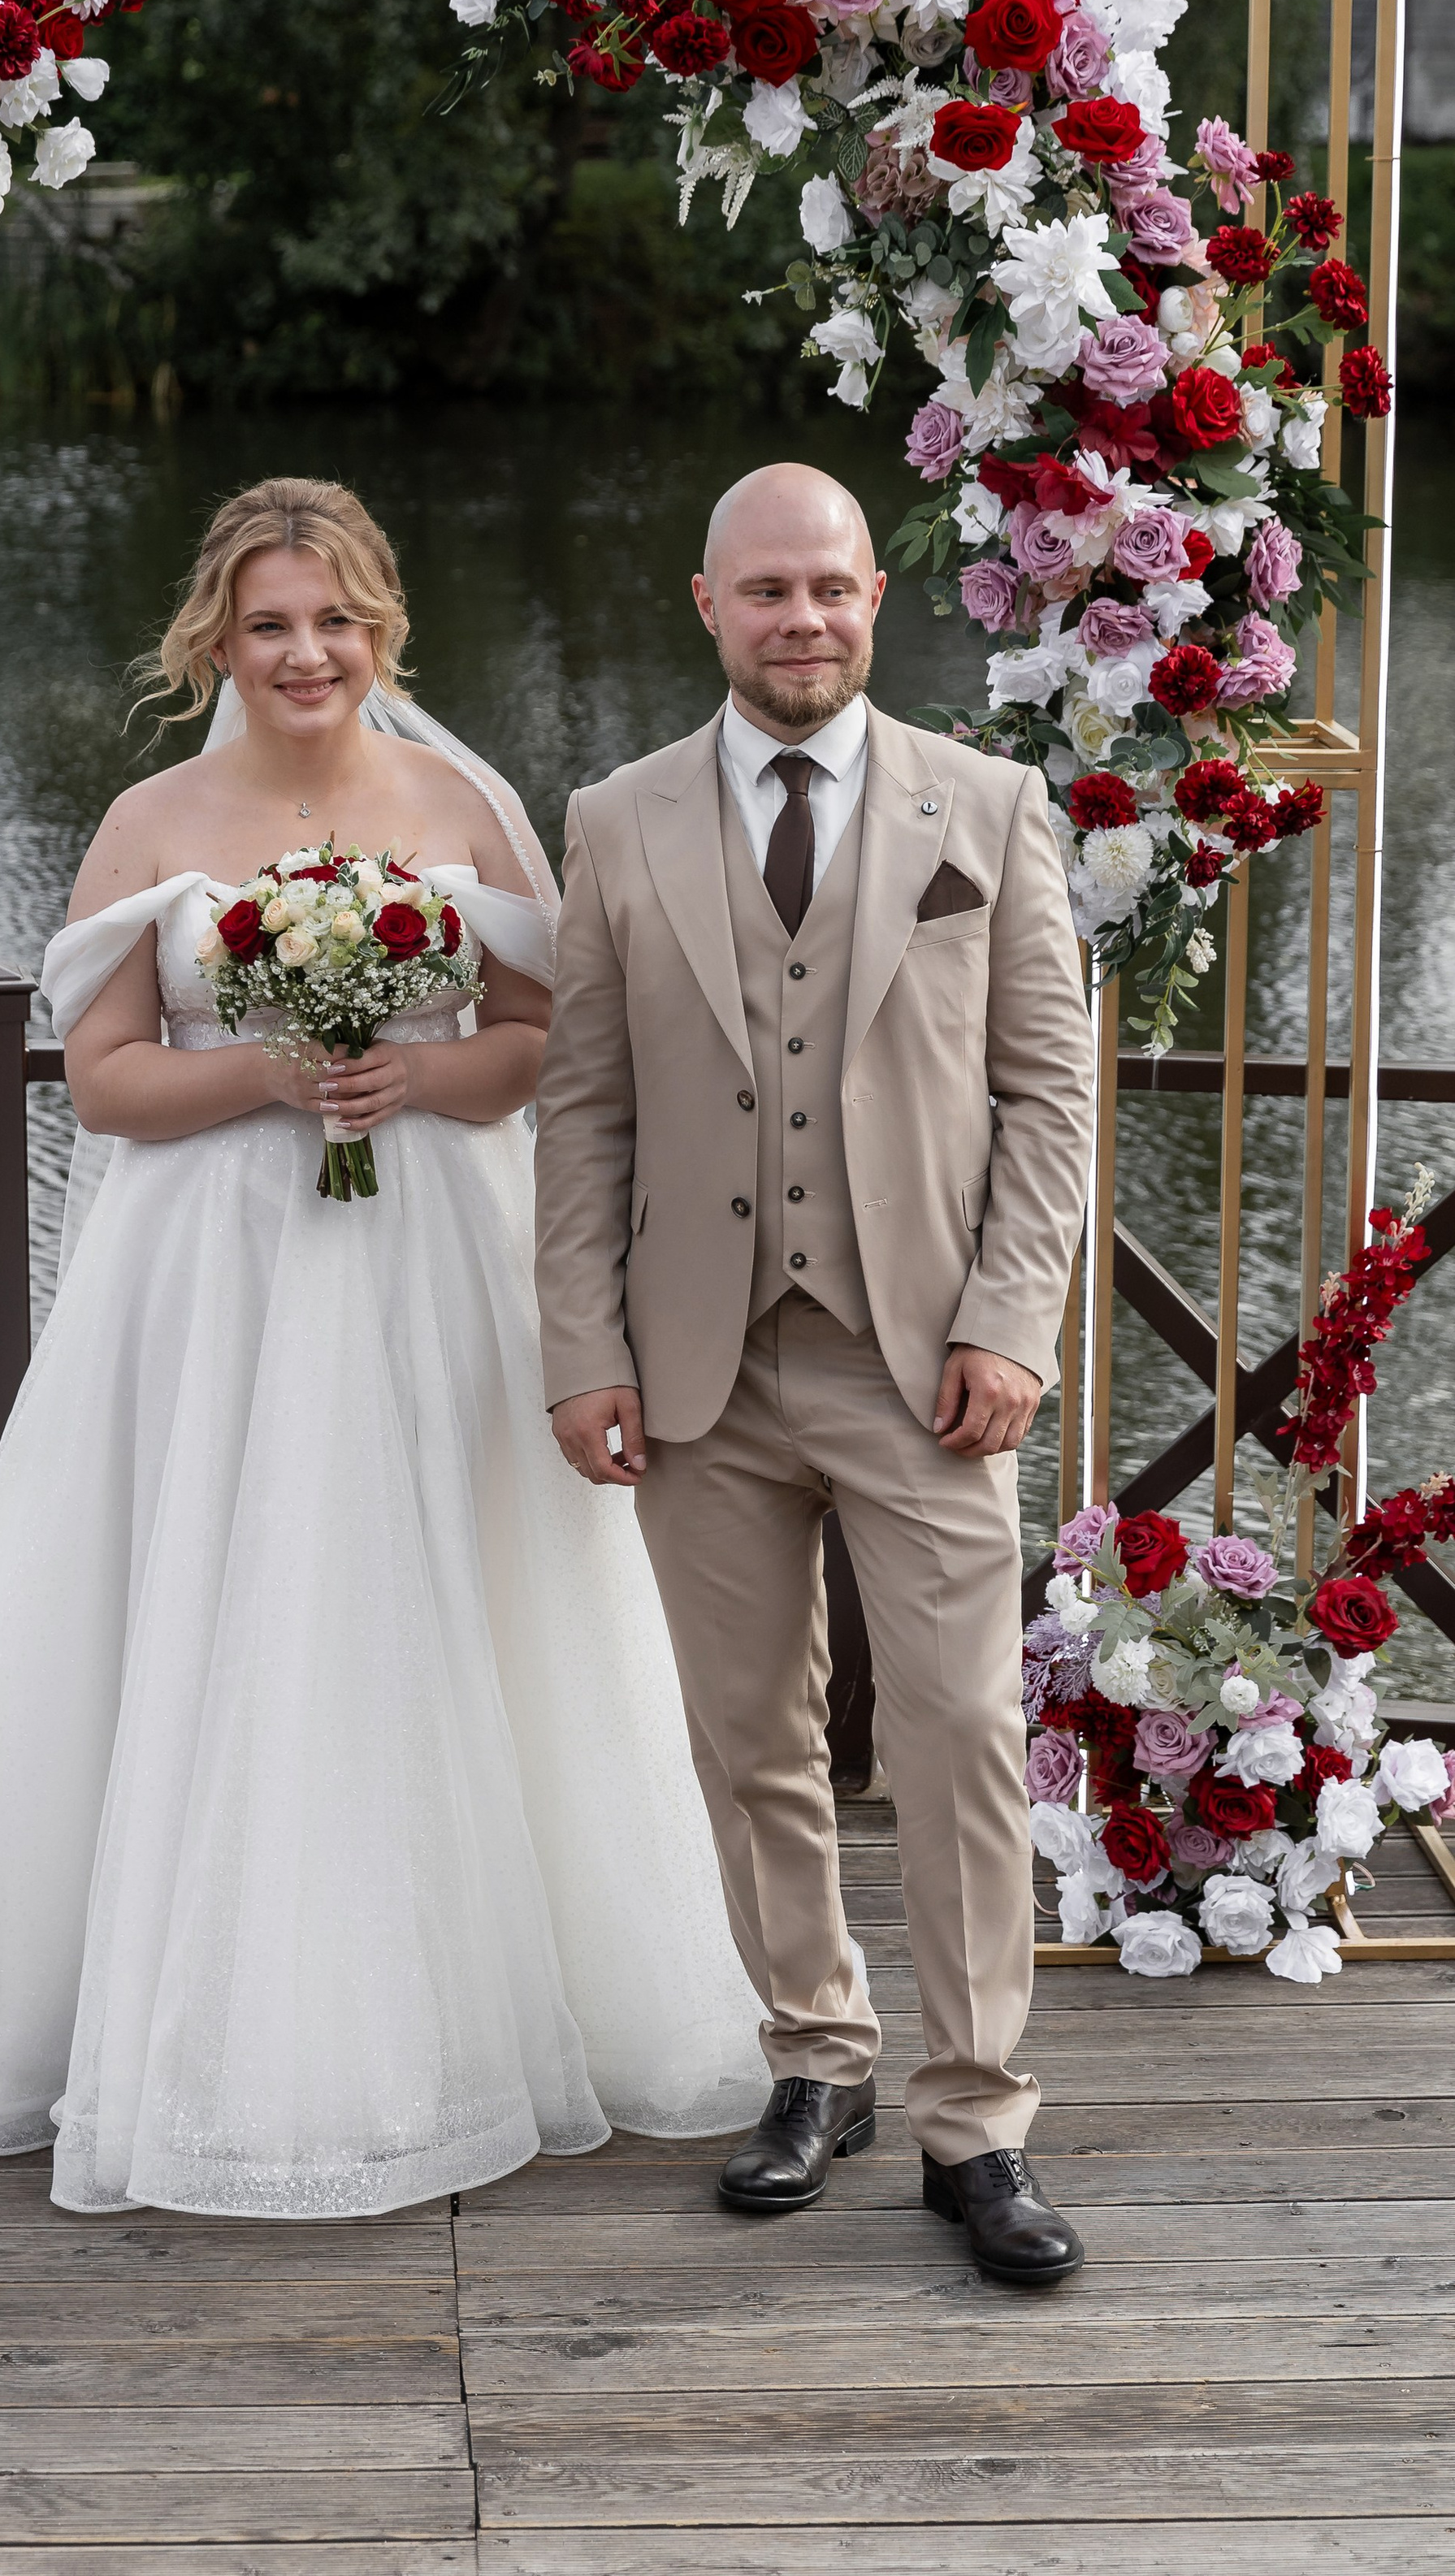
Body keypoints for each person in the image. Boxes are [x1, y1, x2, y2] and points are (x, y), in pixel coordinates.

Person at [0, 476, 769, 2212]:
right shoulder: (153, 819)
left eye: (331, 621)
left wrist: (409, 1071)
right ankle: (191, 1995)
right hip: (214, 1289)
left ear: (377, 627)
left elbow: (541, 1036)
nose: (303, 652)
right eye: (268, 625)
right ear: (217, 640)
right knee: (222, 1600)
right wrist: (264, 1071)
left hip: (438, 1274)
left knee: (455, 1593)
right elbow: (102, 1079)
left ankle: (493, 1986)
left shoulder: (465, 804)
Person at [535, 461, 1096, 2287]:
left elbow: (1046, 1096)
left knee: (957, 1737)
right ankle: (812, 2056)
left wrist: (1012, 1319)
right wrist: (581, 1346)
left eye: (833, 589)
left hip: (921, 1360)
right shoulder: (615, 820)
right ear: (704, 604)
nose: (804, 621)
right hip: (697, 1363)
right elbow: (584, 1108)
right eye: (767, 592)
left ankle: (977, 2117)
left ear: (875, 598)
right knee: (748, 1738)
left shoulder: (988, 807)